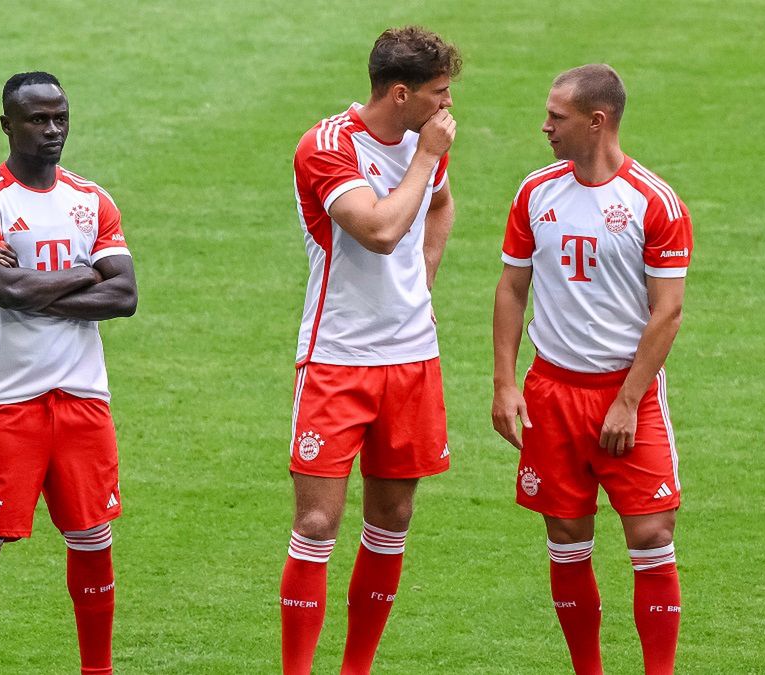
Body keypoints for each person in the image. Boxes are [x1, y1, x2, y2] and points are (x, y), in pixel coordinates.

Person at [491, 64, 692, 675]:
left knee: (652, 538)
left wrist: (628, 401)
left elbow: (668, 311)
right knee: (566, 539)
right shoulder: (535, 192)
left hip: (627, 394)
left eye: (557, 116)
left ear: (596, 121)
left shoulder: (653, 202)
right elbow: (511, 289)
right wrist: (504, 383)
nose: (544, 126)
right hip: (551, 391)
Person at [0, 71, 137, 675]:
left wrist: (34, 288)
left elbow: (125, 296)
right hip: (7, 401)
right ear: (7, 125)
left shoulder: (91, 199)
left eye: (60, 118)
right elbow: (6, 290)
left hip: (82, 398)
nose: (52, 130)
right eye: (37, 119)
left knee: (93, 540)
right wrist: (86, 273)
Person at [281, 26, 460, 675]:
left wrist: (425, 281)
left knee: (394, 516)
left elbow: (439, 207)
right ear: (402, 93)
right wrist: (424, 159)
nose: (448, 108)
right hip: (337, 357)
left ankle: (356, 667)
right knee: (319, 524)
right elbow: (381, 230)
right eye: (439, 94)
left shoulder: (424, 144)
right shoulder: (328, 147)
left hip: (411, 359)